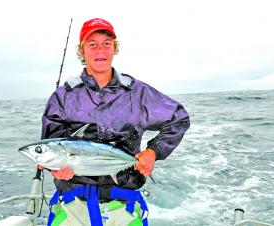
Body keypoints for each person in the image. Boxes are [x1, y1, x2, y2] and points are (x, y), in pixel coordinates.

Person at [41, 18, 190, 226]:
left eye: (106, 44)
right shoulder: (63, 97)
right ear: (82, 51)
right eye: (92, 44)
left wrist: (153, 151)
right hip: (73, 201)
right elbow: (52, 146)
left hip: (123, 201)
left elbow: (179, 118)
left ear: (114, 48)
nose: (99, 50)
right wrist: (55, 168)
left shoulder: (138, 93)